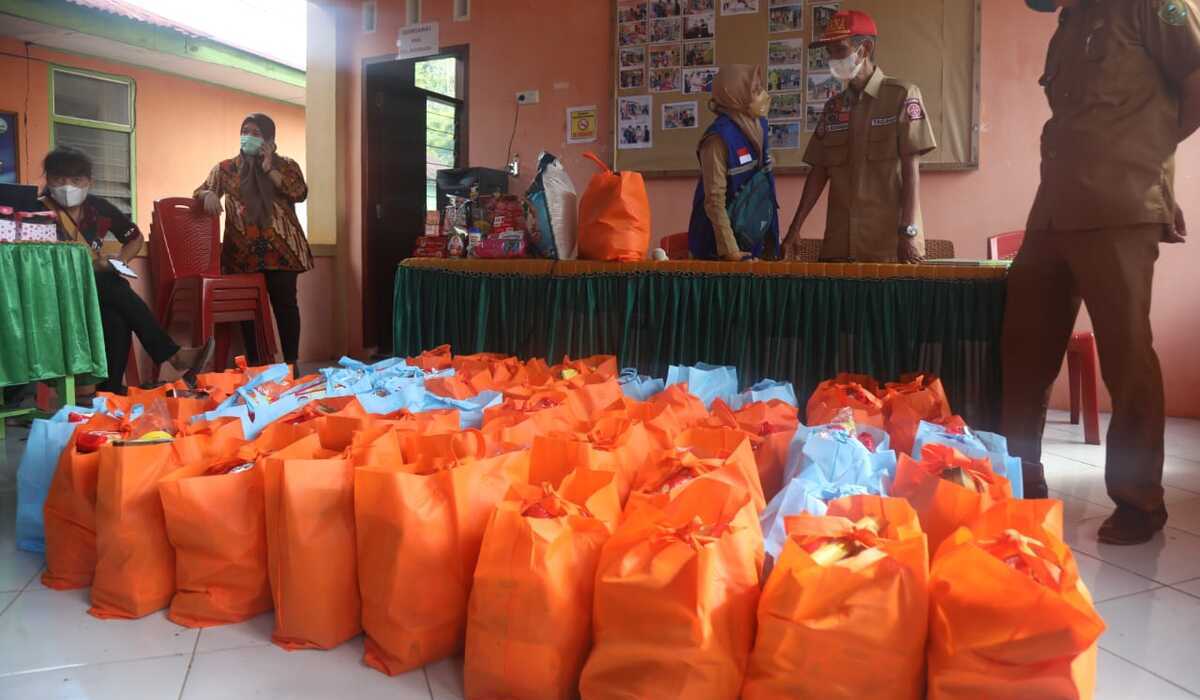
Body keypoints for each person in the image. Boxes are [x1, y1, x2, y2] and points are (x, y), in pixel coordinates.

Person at [1002, 0, 1199, 545]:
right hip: (1054, 207)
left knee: (1127, 353)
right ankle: (1021, 476)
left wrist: (1147, 152)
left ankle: (1139, 501)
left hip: (1120, 203)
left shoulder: (1153, 7)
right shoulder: (1069, 21)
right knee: (1024, 346)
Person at [39, 147, 213, 393]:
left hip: (92, 293)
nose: (67, 186)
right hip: (52, 293)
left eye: (76, 180)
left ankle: (108, 392)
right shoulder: (36, 210)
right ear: (48, 179)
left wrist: (120, 259)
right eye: (59, 179)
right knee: (113, 286)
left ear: (89, 182)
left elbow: (135, 238)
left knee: (116, 316)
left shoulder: (98, 208)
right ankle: (172, 355)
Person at [782, 10, 936, 263]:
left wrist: (908, 232)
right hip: (839, 244)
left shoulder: (901, 95)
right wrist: (794, 228)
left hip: (889, 246)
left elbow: (911, 171)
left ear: (864, 49)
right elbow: (819, 172)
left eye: (839, 50)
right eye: (829, 52)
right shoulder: (834, 108)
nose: (832, 59)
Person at [194, 113, 312, 365]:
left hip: (282, 251)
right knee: (249, 311)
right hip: (242, 253)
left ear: (270, 139)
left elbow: (299, 192)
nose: (248, 136)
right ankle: (258, 366)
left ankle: (292, 363)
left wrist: (270, 169)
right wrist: (207, 194)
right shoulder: (226, 168)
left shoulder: (286, 165)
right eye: (245, 130)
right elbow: (200, 190)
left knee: (285, 306)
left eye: (256, 133)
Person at [686, 64, 780, 261]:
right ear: (734, 95)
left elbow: (763, 183)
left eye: (760, 88)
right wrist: (730, 251)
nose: (762, 95)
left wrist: (772, 243)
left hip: (752, 233)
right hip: (718, 246)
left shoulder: (759, 124)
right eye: (754, 90)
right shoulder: (717, 138)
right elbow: (714, 200)